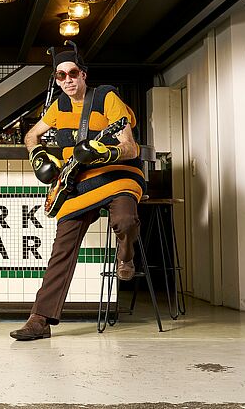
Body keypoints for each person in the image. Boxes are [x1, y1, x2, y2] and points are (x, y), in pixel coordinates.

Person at [10, 43, 145, 341]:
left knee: (124, 220)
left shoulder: (106, 97)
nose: (68, 80)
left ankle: (126, 255)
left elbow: (130, 147)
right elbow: (31, 135)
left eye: (72, 73)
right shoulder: (58, 106)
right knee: (62, 248)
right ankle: (39, 319)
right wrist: (38, 155)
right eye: (61, 76)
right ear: (57, 80)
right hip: (78, 182)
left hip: (117, 175)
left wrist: (105, 152)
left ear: (83, 74)